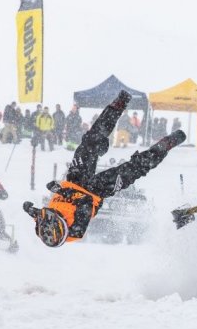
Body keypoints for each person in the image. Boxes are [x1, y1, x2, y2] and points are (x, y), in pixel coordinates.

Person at [23, 91, 186, 247]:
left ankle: (117, 106)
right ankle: (165, 146)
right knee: (132, 170)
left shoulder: (43, 225)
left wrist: (29, 208)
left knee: (89, 142)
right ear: (63, 227)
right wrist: (61, 191)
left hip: (74, 178)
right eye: (58, 217)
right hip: (93, 192)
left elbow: (37, 215)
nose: (54, 214)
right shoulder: (76, 230)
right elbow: (85, 202)